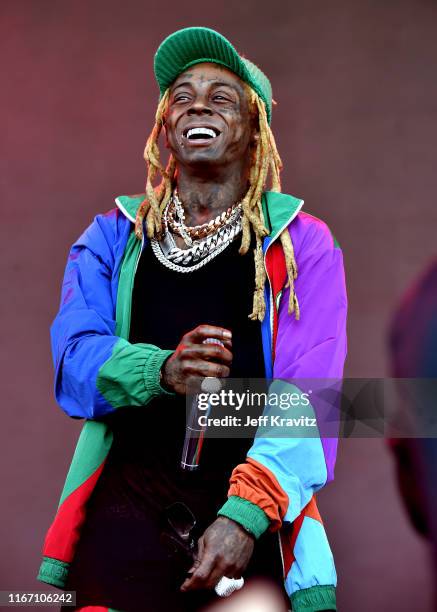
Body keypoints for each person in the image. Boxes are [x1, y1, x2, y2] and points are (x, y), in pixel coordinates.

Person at [37, 27, 348, 612]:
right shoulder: (110, 238)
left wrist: (243, 516)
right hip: (125, 517)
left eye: (221, 97)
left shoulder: (301, 246)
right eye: (181, 96)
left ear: (255, 131)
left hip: (250, 526)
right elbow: (73, 364)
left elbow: (311, 396)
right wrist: (161, 370)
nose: (198, 105)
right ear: (165, 128)